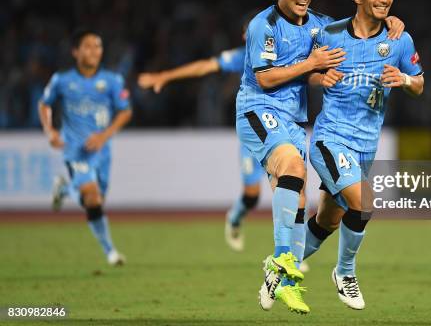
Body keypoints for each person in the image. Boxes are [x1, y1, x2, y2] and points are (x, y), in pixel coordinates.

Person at [236, 0, 406, 314]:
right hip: (258, 110)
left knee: (315, 212)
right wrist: (312, 64)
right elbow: (265, 79)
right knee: (295, 171)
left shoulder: (319, 25)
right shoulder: (263, 26)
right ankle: (286, 263)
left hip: (294, 123)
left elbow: (354, 27)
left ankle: (278, 273)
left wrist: (389, 19)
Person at [304, 0, 424, 310]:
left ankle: (283, 263)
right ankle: (345, 273)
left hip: (365, 146)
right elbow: (306, 72)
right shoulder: (330, 35)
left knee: (328, 219)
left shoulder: (399, 38)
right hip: (330, 138)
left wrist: (403, 80)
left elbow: (419, 83)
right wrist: (317, 77)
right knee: (365, 202)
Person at [137, 14, 268, 253]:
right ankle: (235, 217)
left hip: (283, 131)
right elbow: (204, 66)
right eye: (248, 32)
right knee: (253, 195)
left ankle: (293, 252)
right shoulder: (242, 57)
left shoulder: (285, 54)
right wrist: (165, 76)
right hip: (253, 133)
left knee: (290, 186)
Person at [39, 29, 133, 266]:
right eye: (88, 46)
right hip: (75, 149)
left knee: (95, 200)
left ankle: (64, 190)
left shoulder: (112, 80)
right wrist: (50, 131)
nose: (94, 51)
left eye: (98, 46)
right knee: (91, 196)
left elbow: (125, 111)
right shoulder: (62, 80)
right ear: (75, 52)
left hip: (102, 151)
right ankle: (110, 252)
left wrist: (105, 136)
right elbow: (44, 104)